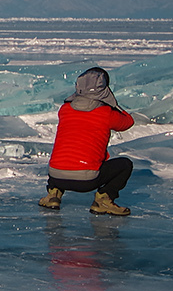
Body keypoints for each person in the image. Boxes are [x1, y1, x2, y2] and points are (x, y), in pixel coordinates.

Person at [41, 66, 136, 216]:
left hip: (56, 176)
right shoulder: (106, 113)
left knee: (65, 156)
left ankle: (53, 195)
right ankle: (104, 199)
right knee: (125, 165)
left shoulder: (65, 109)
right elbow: (128, 122)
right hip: (87, 180)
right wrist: (113, 103)